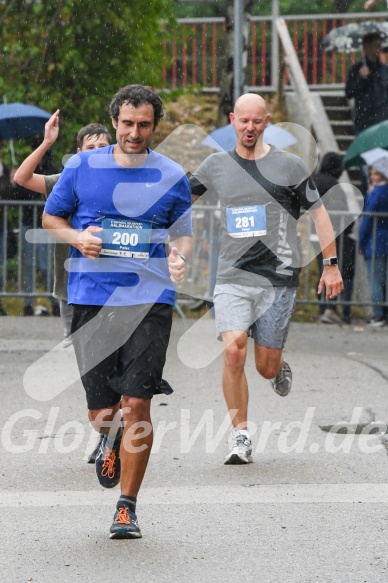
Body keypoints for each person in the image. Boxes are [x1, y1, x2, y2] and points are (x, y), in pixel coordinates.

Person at [42, 84, 193, 539]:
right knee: (103, 411)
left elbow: (182, 231)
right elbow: (53, 217)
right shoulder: (82, 166)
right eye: (127, 123)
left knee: (137, 401)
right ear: (114, 122)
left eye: (143, 124)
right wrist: (77, 239)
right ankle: (109, 438)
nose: (134, 132)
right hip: (92, 298)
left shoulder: (171, 174)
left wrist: (179, 256)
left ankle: (126, 507)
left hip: (149, 300)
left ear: (154, 125)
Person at [190, 93, 343, 465]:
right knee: (231, 351)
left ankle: (278, 365)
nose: (249, 128)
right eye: (243, 121)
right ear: (232, 120)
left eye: (257, 121)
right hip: (232, 275)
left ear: (267, 122)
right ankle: (240, 435)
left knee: (265, 367)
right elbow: (178, 199)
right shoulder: (216, 165)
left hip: (278, 279)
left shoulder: (290, 166)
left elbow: (320, 215)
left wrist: (331, 264)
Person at [14, 110, 112, 349]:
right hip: (72, 285)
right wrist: (47, 141)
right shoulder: (66, 179)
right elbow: (22, 177)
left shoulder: (123, 182)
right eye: (91, 147)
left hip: (112, 283)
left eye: (103, 146)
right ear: (79, 153)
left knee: (113, 355)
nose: (97, 151)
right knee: (82, 357)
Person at [312, 152, 356, 325]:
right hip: (334, 235)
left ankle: (323, 308)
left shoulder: (313, 181)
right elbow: (342, 213)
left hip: (315, 235)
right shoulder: (332, 184)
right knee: (337, 270)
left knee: (322, 270)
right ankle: (332, 309)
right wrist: (348, 226)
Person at [345, 32, 388, 194]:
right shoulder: (357, 69)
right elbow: (349, 92)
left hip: (383, 123)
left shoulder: (385, 70)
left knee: (383, 165)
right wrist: (362, 79)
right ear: (366, 47)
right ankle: (367, 195)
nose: (379, 49)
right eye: (376, 45)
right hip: (364, 123)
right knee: (365, 163)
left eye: (380, 45)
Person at [359, 162, 388, 326]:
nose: (372, 177)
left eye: (375, 174)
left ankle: (378, 315)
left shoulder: (377, 193)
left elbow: (367, 220)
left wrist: (361, 242)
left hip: (376, 241)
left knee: (375, 279)